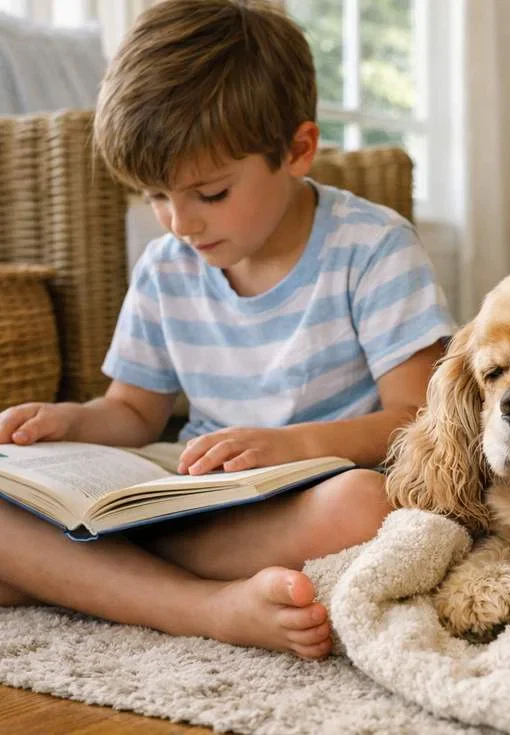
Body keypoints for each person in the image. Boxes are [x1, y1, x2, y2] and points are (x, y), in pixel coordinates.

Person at [0, 0, 454, 659]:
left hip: (302, 498)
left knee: (368, 505)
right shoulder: (166, 266)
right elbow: (131, 410)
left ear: (298, 150)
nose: (180, 222)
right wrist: (68, 422)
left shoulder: (373, 246)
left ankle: (88, 577)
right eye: (156, 196)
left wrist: (291, 445)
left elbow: (419, 418)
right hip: (187, 500)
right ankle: (207, 605)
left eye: (209, 194)